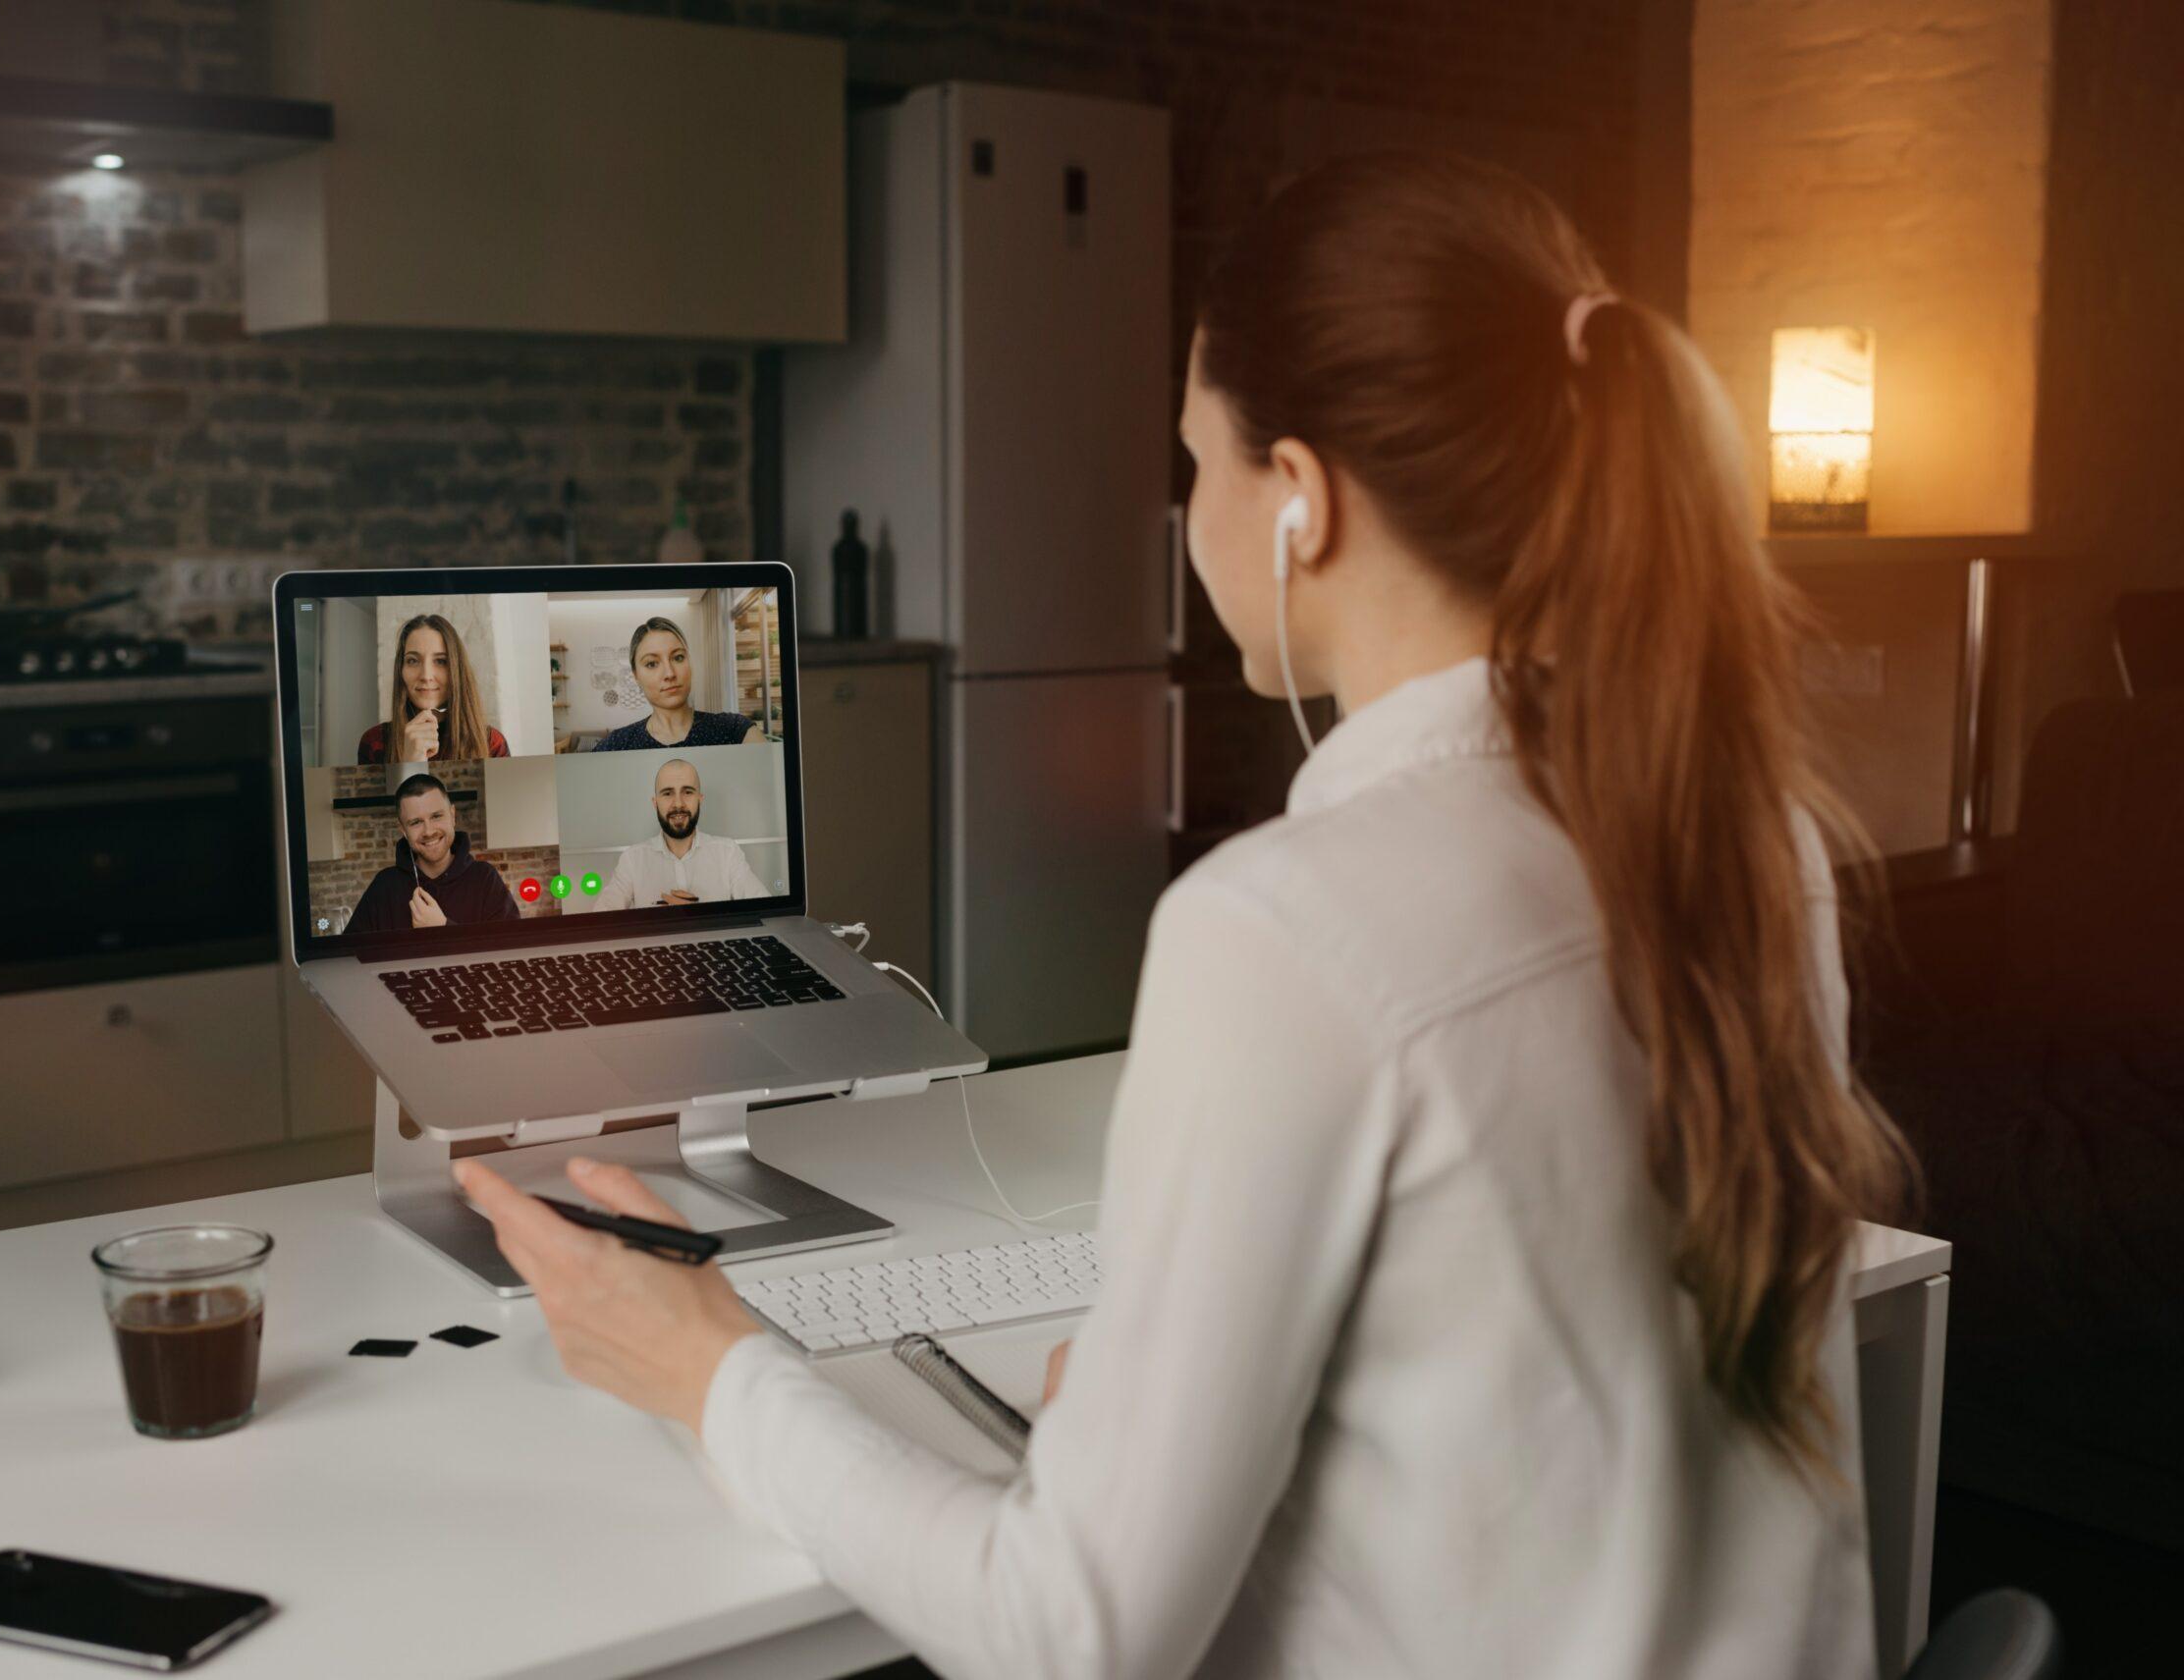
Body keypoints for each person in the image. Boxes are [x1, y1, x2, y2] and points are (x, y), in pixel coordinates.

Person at [453, 152, 1913, 1679]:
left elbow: (1070, 1634)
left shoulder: (1286, 926)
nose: (1187, 505)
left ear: (1302, 500)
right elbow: (1554, 1382)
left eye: (1198, 457)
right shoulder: (1757, 838)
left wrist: (710, 1370)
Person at [586, 758, 771, 909]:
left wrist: (702, 918)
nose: (678, 804)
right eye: (667, 793)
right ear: (655, 802)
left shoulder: (728, 853)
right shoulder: (632, 859)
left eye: (688, 792)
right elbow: (600, 920)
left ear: (700, 799)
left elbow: (766, 911)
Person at [345, 774, 516, 935]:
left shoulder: (485, 878)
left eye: (436, 816)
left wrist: (443, 928)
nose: (429, 831)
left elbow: (509, 946)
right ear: (403, 830)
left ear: (453, 816)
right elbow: (348, 954)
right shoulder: (384, 886)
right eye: (416, 822)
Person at [588, 617, 767, 751]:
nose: (670, 673)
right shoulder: (617, 745)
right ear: (636, 675)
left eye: (678, 657)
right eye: (651, 663)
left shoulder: (734, 730)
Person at [356, 614, 510, 764]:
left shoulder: (492, 743)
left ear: (456, 671)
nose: (426, 675)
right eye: (413, 660)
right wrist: (410, 764)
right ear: (400, 671)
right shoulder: (374, 743)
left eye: (441, 661)